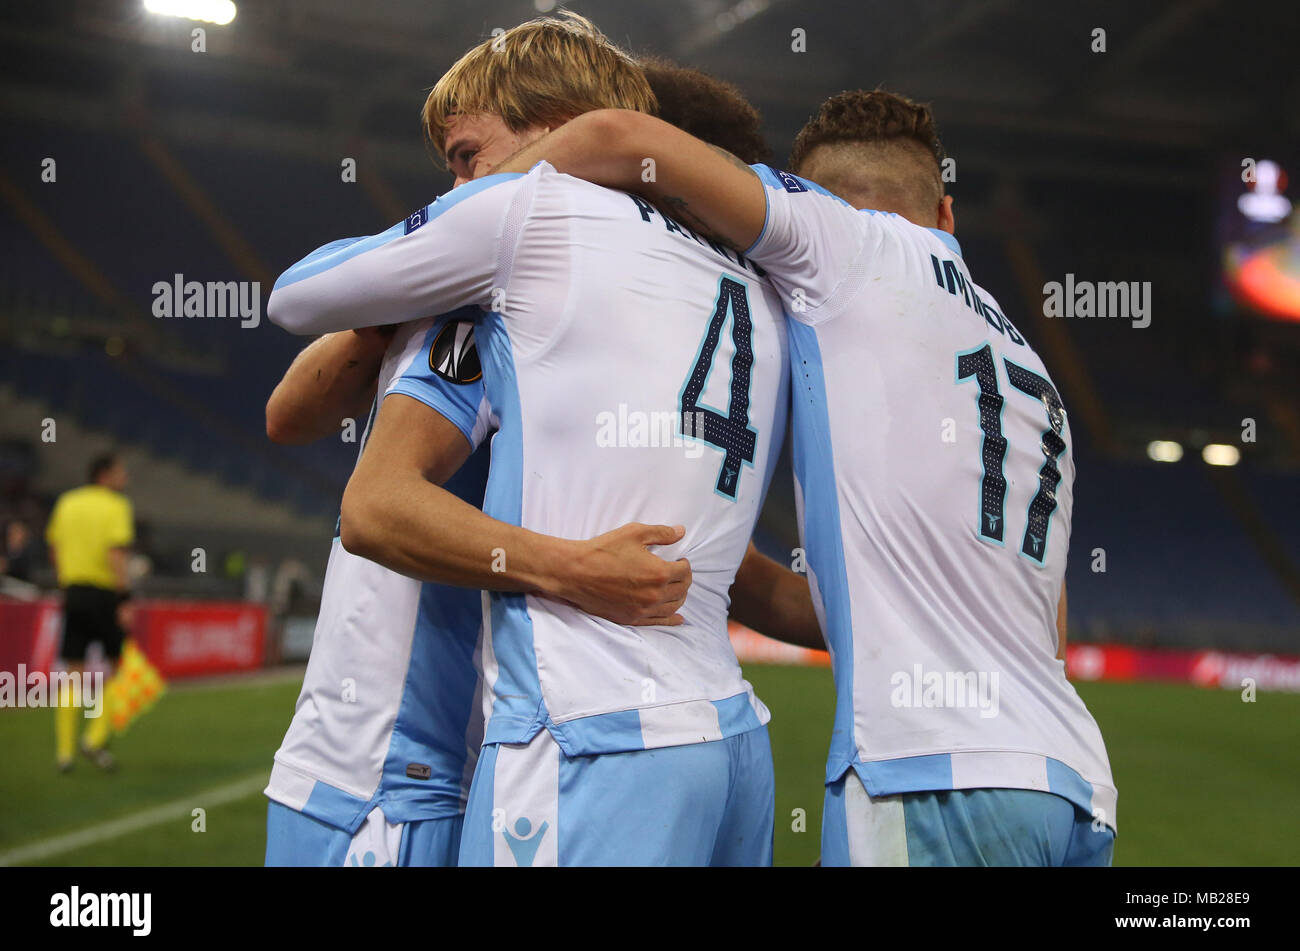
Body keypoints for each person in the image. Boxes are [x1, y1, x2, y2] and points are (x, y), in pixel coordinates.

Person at [491, 89, 1118, 866]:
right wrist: (700, 566)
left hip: (930, 778)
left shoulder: (844, 244)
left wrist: (467, 217)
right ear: (948, 215)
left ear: (815, 204)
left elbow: (618, 136)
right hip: (1071, 786)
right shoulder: (1034, 375)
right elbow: (1035, 623)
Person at [267, 14, 821, 866]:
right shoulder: (742, 294)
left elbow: (360, 488)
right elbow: (290, 413)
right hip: (679, 728)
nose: (461, 187)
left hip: (404, 762)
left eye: (468, 155)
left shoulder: (529, 249)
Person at [45, 452, 133, 772]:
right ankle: (94, 738)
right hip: (105, 594)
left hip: (73, 591)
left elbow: (54, 547)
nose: (126, 478)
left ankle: (64, 753)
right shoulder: (116, 506)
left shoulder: (67, 503)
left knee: (73, 672)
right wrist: (124, 598)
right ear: (105, 475)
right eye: (122, 472)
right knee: (116, 666)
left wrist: (66, 579)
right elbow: (116, 553)